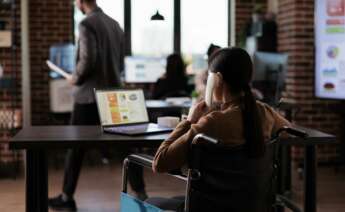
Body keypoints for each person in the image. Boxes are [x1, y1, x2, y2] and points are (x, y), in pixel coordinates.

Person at [150, 47, 290, 210]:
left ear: (217, 79)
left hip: (208, 206)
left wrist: (189, 121)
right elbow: (290, 132)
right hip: (252, 205)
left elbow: (160, 162)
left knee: (152, 202)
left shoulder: (211, 123)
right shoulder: (265, 112)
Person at [48, 0, 146, 211]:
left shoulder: (86, 24)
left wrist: (74, 78)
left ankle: (66, 197)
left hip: (88, 97)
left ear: (81, 2)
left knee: (75, 148)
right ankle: (141, 194)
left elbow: (88, 60)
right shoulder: (115, 24)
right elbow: (119, 64)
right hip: (113, 95)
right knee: (126, 147)